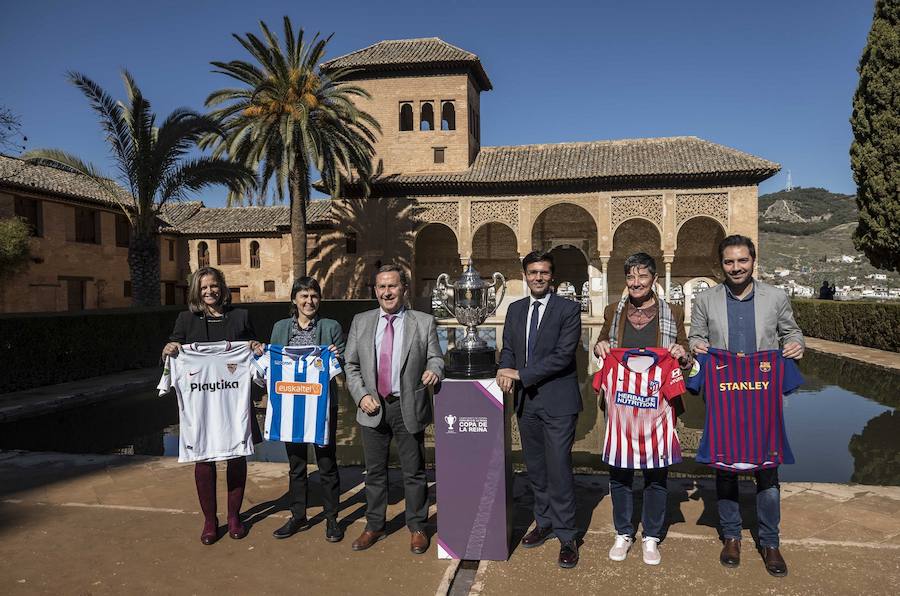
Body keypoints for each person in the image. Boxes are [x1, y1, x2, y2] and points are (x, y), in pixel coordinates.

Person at [689, 235, 804, 577]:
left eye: (742, 260)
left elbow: (791, 332)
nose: (736, 267)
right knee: (725, 469)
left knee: (767, 471)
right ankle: (731, 536)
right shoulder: (706, 300)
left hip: (761, 395)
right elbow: (696, 335)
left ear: (754, 260)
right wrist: (697, 346)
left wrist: (796, 345)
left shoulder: (776, 297)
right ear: (720, 264)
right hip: (724, 396)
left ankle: (770, 541)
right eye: (729, 262)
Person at [592, 252, 692, 565]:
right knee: (620, 472)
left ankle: (651, 536)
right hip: (622, 407)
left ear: (654, 280)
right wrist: (600, 346)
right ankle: (623, 532)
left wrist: (681, 352)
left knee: (655, 474)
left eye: (642, 276)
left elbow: (686, 356)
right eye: (631, 277)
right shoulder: (614, 311)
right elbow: (600, 343)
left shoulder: (671, 312)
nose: (636, 283)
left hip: (658, 408)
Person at [344, 264, 444, 554]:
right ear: (375, 291)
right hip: (372, 407)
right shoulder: (361, 321)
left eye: (393, 286)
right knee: (374, 473)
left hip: (407, 405)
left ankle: (417, 526)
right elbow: (350, 364)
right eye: (382, 287)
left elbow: (436, 358)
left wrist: (434, 370)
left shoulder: (423, 322)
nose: (387, 292)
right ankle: (374, 525)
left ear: (404, 289)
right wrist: (361, 395)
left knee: (414, 472)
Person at [161, 266, 263, 545]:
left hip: (234, 404)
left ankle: (234, 517)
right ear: (196, 290)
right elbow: (172, 356)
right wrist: (168, 350)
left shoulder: (241, 317)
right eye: (204, 287)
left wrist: (254, 347)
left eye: (214, 286)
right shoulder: (185, 319)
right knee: (203, 460)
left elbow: (253, 355)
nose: (209, 291)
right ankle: (209, 520)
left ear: (222, 287)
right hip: (203, 404)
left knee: (237, 456)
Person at [497, 251, 582, 569]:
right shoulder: (516, 310)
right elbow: (508, 348)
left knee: (559, 468)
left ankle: (567, 535)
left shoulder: (568, 310)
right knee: (536, 469)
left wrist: (521, 374)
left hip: (558, 402)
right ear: (525, 275)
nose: (538, 277)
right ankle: (544, 522)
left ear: (552, 276)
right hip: (527, 403)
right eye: (533, 272)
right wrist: (505, 368)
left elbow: (563, 356)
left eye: (544, 272)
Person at [267, 277, 346, 543]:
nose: (309, 301)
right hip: (290, 404)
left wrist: (337, 354)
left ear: (319, 299)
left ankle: (332, 518)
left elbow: (343, 362)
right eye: (303, 296)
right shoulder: (279, 328)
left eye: (313, 296)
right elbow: (272, 360)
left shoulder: (331, 326)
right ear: (294, 300)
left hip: (321, 404)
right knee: (296, 464)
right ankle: (297, 515)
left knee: (326, 462)